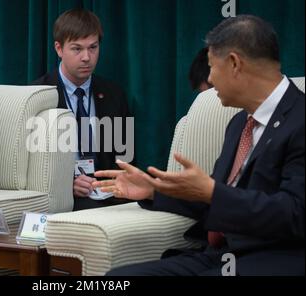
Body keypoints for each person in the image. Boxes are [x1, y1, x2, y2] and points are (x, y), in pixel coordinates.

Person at [94, 15, 304, 275]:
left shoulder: (300, 119)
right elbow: (212, 202)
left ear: (234, 63)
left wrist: (213, 191)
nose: (211, 79)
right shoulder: (239, 123)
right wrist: (153, 190)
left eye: (212, 67)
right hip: (218, 256)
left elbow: (295, 213)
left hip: (273, 259)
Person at [32, 8, 133, 211]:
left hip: (109, 194)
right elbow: (31, 166)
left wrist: (118, 181)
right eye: (77, 49)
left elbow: (126, 155)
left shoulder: (114, 94)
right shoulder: (37, 95)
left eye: (93, 48)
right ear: (59, 49)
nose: (87, 57)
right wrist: (67, 183)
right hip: (62, 196)